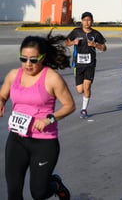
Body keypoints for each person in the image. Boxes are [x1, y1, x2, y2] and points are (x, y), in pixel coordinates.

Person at [0, 32, 76, 200]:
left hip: (44, 142)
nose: (28, 64)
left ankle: (55, 184)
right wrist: (1, 101)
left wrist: (49, 119)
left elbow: (70, 105)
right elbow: (3, 94)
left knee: (38, 193)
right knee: (13, 191)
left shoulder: (52, 78)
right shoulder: (14, 75)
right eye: (24, 59)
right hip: (17, 138)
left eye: (33, 60)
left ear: (42, 57)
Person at [66, 11, 107, 118]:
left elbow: (104, 48)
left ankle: (84, 110)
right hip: (78, 64)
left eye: (89, 20)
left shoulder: (96, 34)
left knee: (87, 86)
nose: (87, 22)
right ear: (82, 21)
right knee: (80, 90)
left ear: (92, 21)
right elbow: (66, 43)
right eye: (84, 20)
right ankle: (85, 93)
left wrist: (95, 45)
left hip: (90, 64)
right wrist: (72, 42)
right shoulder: (76, 32)